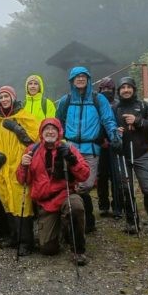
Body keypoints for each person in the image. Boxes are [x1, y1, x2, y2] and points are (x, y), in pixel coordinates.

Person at [55, 66, 121, 234]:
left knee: (86, 184)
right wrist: (59, 140)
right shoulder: (66, 100)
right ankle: (83, 222)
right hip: (70, 148)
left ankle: (84, 219)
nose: (80, 79)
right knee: (70, 184)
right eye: (77, 77)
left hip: (91, 148)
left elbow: (108, 119)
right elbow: (58, 121)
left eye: (83, 76)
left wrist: (114, 135)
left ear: (89, 79)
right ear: (71, 80)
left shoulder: (99, 99)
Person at [16, 118, 90, 264]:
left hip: (65, 195)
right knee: (48, 249)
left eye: (53, 129)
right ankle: (62, 229)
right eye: (46, 129)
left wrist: (72, 159)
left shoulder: (69, 149)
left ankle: (78, 251)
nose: (50, 132)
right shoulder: (32, 150)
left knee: (75, 207)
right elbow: (23, 180)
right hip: (45, 202)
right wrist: (23, 166)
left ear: (59, 132)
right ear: (41, 132)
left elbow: (84, 175)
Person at [0, 85, 39, 256]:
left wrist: (18, 130)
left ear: (13, 97)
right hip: (3, 168)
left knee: (22, 203)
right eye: (1, 98)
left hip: (21, 166)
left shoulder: (25, 117)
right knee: (7, 201)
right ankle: (14, 236)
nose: (4, 100)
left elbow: (35, 141)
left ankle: (26, 241)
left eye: (7, 97)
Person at [113, 77, 148, 238]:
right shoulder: (114, 109)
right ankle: (131, 222)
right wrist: (116, 133)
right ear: (119, 91)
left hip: (142, 153)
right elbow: (106, 128)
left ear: (134, 89)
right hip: (122, 154)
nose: (126, 90)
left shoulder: (144, 105)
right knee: (126, 189)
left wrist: (138, 121)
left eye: (129, 87)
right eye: (122, 88)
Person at [95, 77, 123, 219]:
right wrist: (100, 140)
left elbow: (117, 123)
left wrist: (115, 139)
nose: (107, 91)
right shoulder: (96, 104)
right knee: (101, 176)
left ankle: (117, 206)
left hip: (115, 145)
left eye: (109, 89)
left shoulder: (118, 105)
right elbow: (94, 124)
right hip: (100, 145)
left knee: (116, 177)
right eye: (104, 89)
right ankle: (103, 205)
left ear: (113, 90)